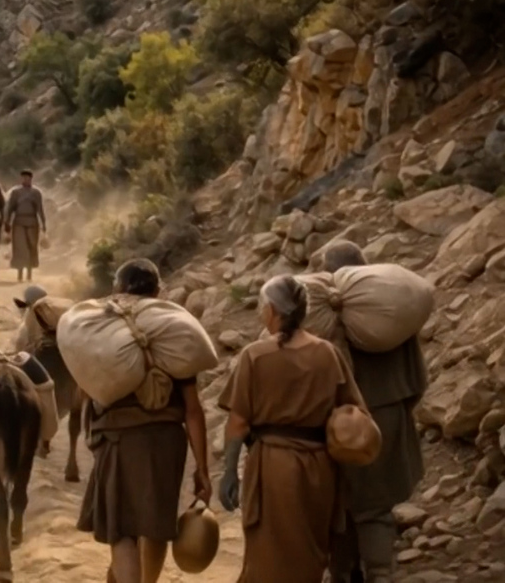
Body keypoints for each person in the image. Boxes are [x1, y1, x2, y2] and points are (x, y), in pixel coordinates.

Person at [218, 275, 369, 583]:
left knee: (267, 555)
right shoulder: (328, 353)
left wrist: (230, 471)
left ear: (273, 310)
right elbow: (354, 414)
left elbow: (238, 422)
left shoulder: (255, 356)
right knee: (310, 553)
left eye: (263, 307)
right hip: (319, 469)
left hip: (272, 468)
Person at [79, 259, 212, 583]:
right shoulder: (173, 331)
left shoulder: (103, 331)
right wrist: (203, 468)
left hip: (118, 439)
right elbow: (193, 409)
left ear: (118, 290)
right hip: (166, 441)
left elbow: (88, 390)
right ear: (157, 291)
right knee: (155, 526)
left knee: (122, 529)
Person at [320, 242, 427, 583]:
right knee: (377, 509)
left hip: (335, 425)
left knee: (341, 509)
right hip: (388, 414)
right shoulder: (389, 316)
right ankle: (380, 572)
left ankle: (342, 573)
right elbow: (418, 379)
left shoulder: (322, 317)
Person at [5, 170, 47, 283]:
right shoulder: (15, 192)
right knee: (20, 248)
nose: (25, 180)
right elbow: (10, 209)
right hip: (18, 222)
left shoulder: (36, 193)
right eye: (23, 178)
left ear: (31, 179)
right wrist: (7, 222)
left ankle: (29, 275)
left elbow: (40, 209)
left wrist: (44, 224)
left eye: (27, 178)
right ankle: (19, 275)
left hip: (32, 222)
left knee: (31, 247)